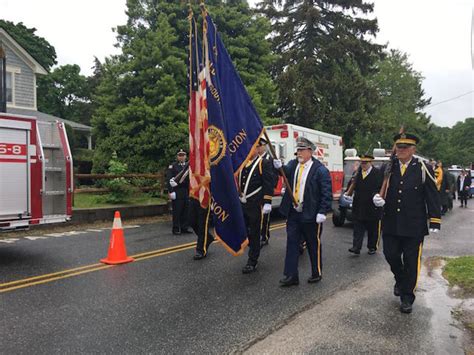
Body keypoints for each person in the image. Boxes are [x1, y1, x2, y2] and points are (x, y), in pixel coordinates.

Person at [373, 133, 441, 314]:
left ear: (413, 149)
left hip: (414, 225)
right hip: (391, 223)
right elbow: (377, 187)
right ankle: (400, 279)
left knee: (411, 262)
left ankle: (407, 297)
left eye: (405, 147)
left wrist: (435, 219)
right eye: (398, 147)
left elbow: (432, 194)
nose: (401, 150)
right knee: (390, 255)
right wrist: (376, 198)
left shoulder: (422, 168)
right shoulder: (388, 167)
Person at [273, 137, 332, 287]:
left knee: (313, 244)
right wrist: (278, 166)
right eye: (298, 150)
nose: (298, 153)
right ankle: (291, 275)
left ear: (310, 151)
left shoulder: (320, 170)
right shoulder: (294, 165)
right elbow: (284, 172)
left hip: (311, 214)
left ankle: (316, 272)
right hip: (294, 213)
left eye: (301, 150)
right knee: (292, 243)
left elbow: (326, 193)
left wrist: (322, 211)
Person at [238, 139, 274, 274]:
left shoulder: (263, 163)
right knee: (245, 231)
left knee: (254, 233)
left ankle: (252, 261)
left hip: (256, 204)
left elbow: (268, 183)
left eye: (252, 148)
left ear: (257, 149)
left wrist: (267, 202)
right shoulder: (242, 164)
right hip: (243, 203)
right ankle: (253, 249)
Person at [344, 155, 383, 255]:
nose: (363, 165)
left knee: (373, 229)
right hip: (359, 205)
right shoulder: (357, 173)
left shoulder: (377, 173)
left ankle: (372, 247)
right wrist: (348, 193)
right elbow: (351, 185)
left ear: (371, 163)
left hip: (372, 206)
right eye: (362, 163)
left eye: (366, 163)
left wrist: (377, 196)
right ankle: (356, 247)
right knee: (358, 228)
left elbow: (380, 187)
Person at [257, 138, 279, 248]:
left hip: (265, 191)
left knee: (265, 217)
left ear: (264, 146)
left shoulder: (270, 160)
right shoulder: (254, 159)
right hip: (254, 193)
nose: (258, 148)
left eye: (259, 146)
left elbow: (274, 177)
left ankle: (264, 236)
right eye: (256, 146)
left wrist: (269, 193)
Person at [167, 149, 191, 235]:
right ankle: (176, 228)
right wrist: (170, 191)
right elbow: (169, 179)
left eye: (183, 155)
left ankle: (184, 228)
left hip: (186, 191)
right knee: (177, 211)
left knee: (186, 210)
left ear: (186, 156)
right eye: (180, 155)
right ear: (177, 156)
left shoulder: (189, 166)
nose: (181, 157)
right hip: (177, 191)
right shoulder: (173, 166)